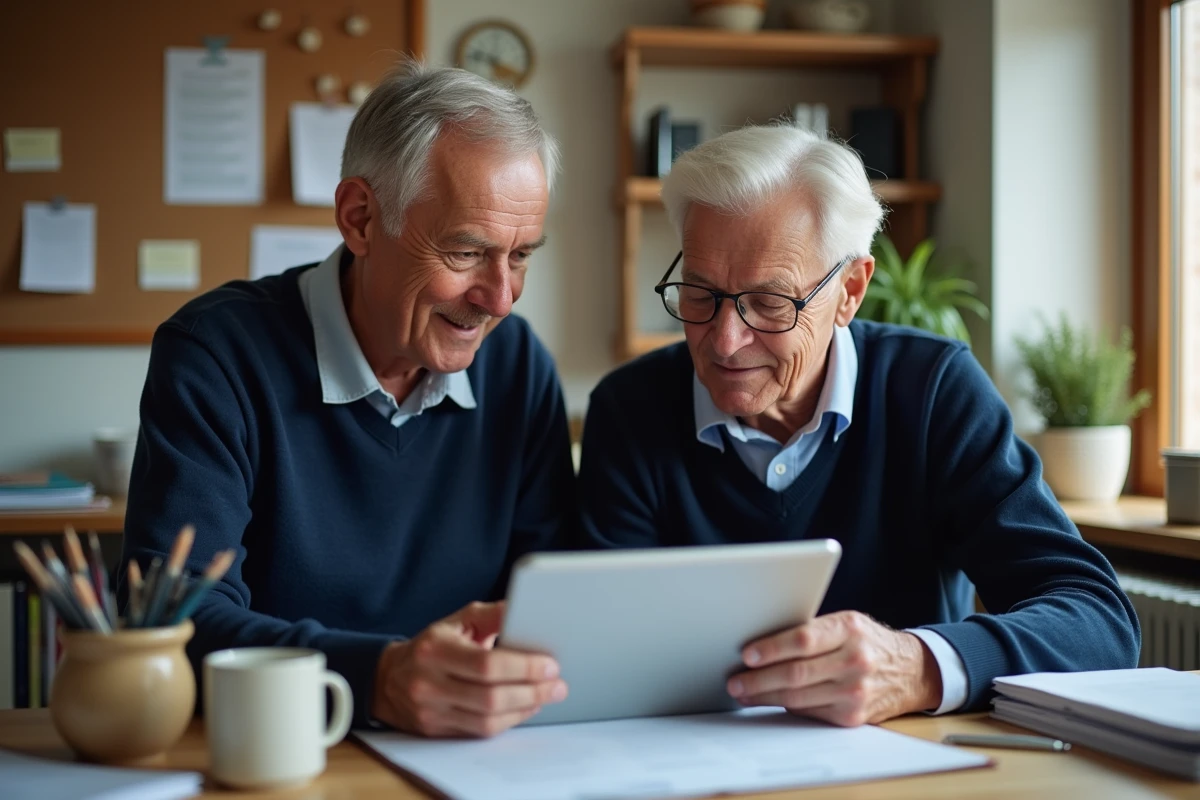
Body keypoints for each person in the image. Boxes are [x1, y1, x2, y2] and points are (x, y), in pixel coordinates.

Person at [577, 124, 1140, 726]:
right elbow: (599, 649)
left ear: (850, 290)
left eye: (770, 303)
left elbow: (1097, 620)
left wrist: (919, 665)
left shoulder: (931, 391)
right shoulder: (629, 408)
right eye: (699, 292)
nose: (725, 340)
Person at [121, 61, 576, 738]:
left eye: (520, 256)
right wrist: (377, 677)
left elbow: (557, 600)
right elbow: (174, 616)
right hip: (275, 751)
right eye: (467, 252)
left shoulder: (518, 366)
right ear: (360, 219)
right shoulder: (216, 354)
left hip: (476, 759)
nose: (500, 298)